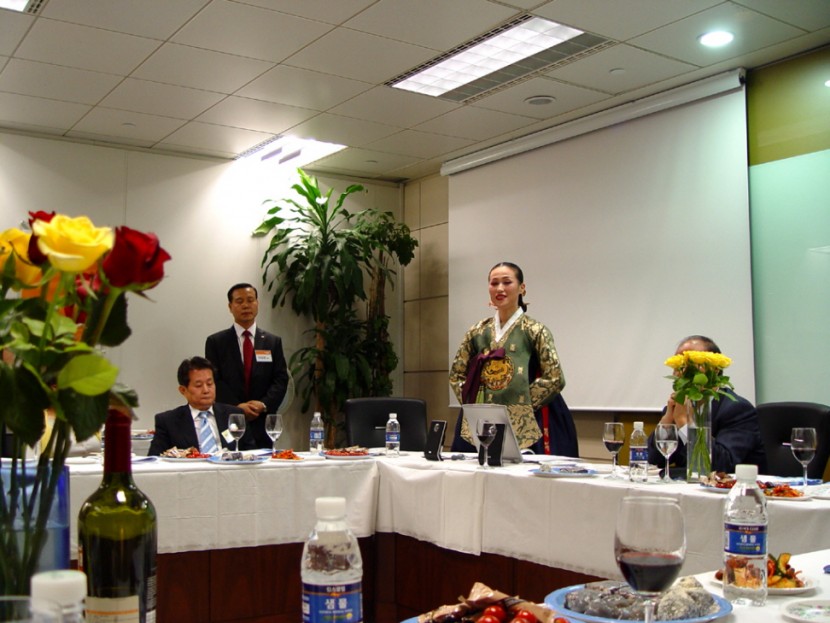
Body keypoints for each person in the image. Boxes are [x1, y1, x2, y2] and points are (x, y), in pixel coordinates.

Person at [449, 262, 577, 456]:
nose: (499, 288)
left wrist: (521, 404)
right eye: (494, 283)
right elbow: (456, 375)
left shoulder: (535, 330)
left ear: (522, 288)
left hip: (528, 416)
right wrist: (474, 405)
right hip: (482, 418)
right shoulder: (477, 331)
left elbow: (554, 377)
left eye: (507, 282)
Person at [647, 335, 767, 474]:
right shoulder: (678, 407)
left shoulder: (737, 409)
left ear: (715, 369)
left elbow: (723, 465)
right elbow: (653, 460)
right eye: (679, 365)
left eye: (691, 364)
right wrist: (667, 422)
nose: (682, 371)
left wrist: (685, 425)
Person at [205, 283, 289, 449]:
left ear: (257, 303)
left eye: (250, 300)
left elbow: (280, 379)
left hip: (262, 420)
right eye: (239, 301)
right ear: (230, 306)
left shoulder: (272, 342)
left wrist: (262, 404)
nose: (245, 305)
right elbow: (214, 380)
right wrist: (237, 408)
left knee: (264, 462)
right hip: (230, 419)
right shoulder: (216, 342)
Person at [148, 356, 254, 456]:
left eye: (210, 384)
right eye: (198, 385)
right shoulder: (168, 421)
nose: (206, 390)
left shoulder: (234, 414)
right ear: (183, 390)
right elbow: (155, 459)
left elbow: (252, 453)